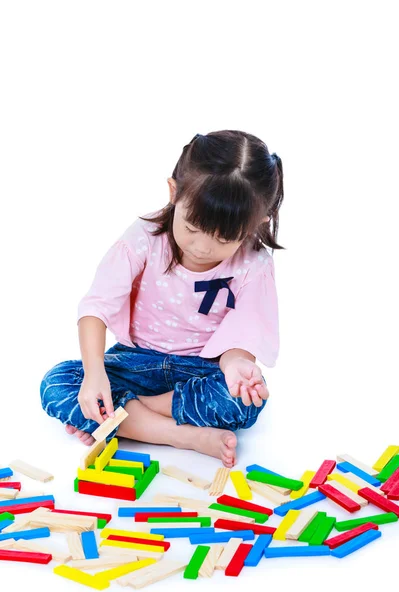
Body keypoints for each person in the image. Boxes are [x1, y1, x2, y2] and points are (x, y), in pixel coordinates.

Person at [40, 129, 285, 467]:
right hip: (132, 362)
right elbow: (96, 307)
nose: (202, 247)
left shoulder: (254, 265)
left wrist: (237, 367)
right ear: (174, 192)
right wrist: (95, 374)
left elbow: (243, 336)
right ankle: (184, 436)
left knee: (241, 402)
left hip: (199, 371)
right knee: (57, 383)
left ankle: (123, 420)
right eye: (193, 228)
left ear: (257, 222)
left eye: (224, 237)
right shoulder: (143, 237)